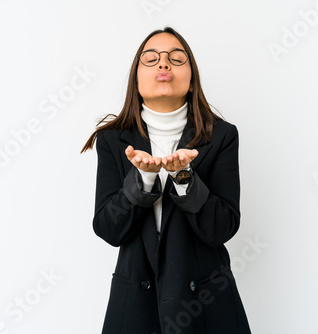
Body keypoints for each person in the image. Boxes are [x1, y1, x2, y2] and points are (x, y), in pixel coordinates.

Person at [80, 26, 251, 334]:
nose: (163, 64)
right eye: (151, 58)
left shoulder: (222, 136)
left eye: (176, 57)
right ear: (136, 78)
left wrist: (184, 178)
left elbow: (223, 227)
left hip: (207, 305)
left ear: (191, 78)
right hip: (134, 304)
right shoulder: (113, 140)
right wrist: (142, 181)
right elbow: (108, 228)